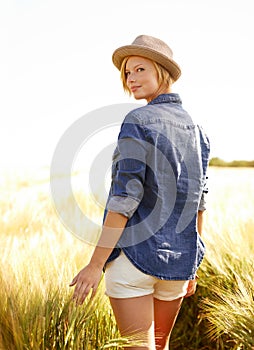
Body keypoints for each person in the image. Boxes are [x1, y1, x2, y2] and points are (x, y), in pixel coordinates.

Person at [70, 35, 210, 350]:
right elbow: (199, 204)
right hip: (178, 264)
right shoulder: (198, 130)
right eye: (127, 74)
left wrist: (94, 265)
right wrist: (191, 266)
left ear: (163, 71)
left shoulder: (138, 120)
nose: (131, 79)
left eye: (140, 70)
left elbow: (124, 199)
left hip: (134, 259)